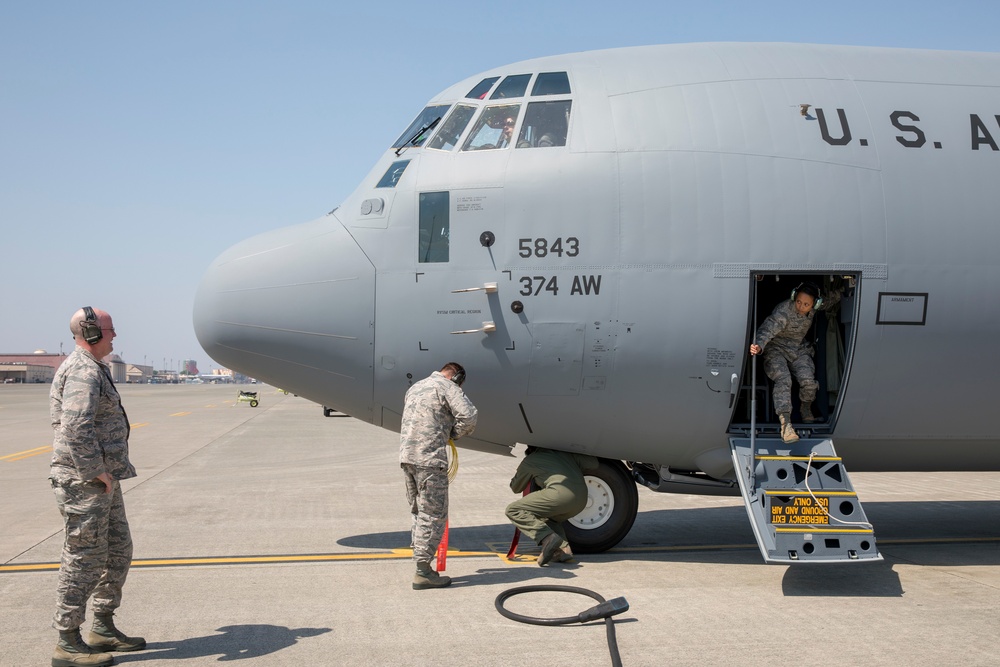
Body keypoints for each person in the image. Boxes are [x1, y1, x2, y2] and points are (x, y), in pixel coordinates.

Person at [49, 307, 145, 667]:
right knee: (83, 559)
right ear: (90, 333)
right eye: (109, 330)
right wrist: (94, 470)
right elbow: (75, 426)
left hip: (102, 480)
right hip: (84, 482)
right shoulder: (82, 371)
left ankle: (103, 627)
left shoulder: (94, 369)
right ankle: (68, 641)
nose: (114, 336)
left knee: (118, 549)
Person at [399, 362, 477, 589]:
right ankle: (423, 571)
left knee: (418, 510)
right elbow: (469, 415)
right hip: (430, 460)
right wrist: (453, 434)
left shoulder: (416, 387)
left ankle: (420, 561)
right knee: (433, 514)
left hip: (407, 457)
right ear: (457, 377)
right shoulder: (447, 387)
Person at [749, 281, 842, 443]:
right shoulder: (784, 311)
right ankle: (786, 425)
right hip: (775, 348)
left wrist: (844, 290)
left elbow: (831, 300)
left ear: (815, 304)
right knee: (783, 379)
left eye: (806, 304)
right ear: (794, 297)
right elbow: (767, 328)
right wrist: (759, 346)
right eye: (798, 301)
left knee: (808, 381)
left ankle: (805, 408)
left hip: (798, 348)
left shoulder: (816, 306)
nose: (801, 306)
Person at [505, 446, 599, 566]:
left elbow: (515, 488)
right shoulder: (563, 452)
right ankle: (563, 550)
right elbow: (593, 463)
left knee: (513, 510)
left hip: (560, 495)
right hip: (582, 499)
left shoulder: (531, 460)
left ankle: (546, 537)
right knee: (549, 518)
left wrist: (522, 470)